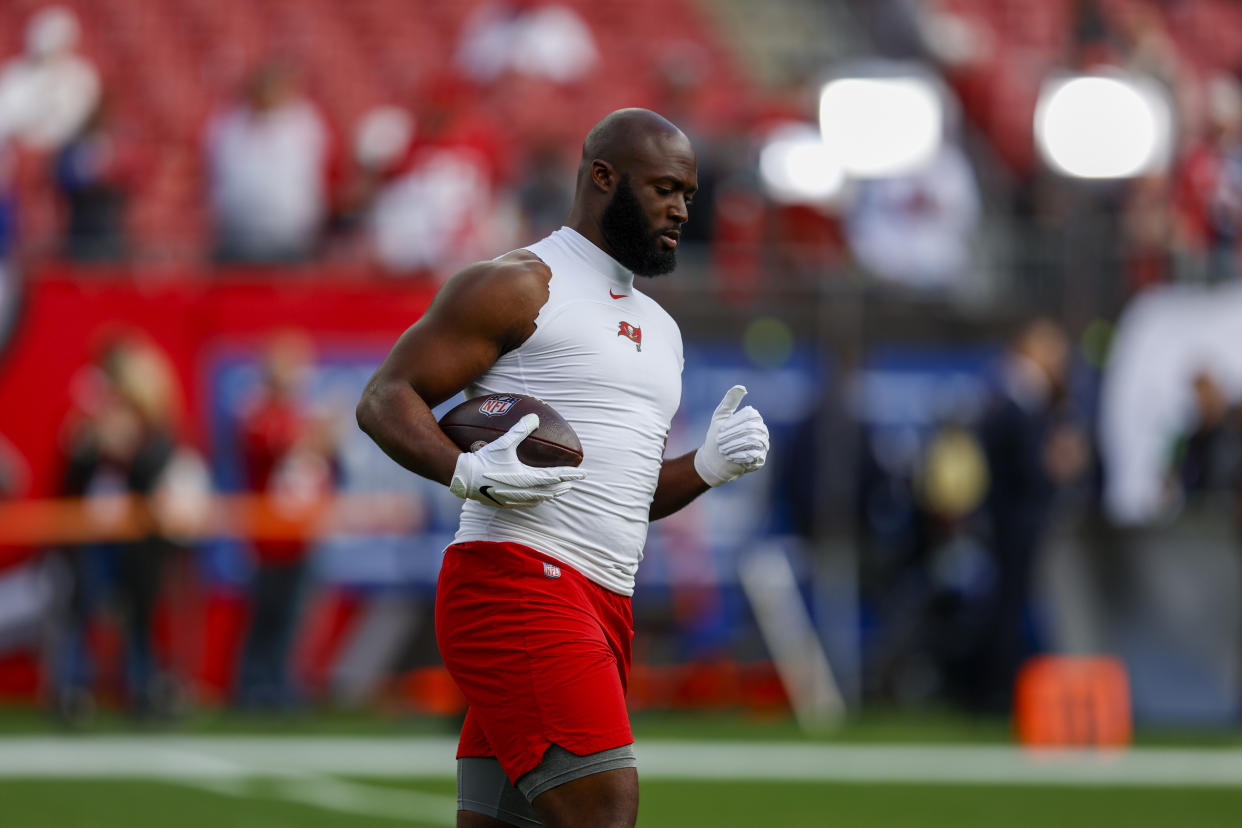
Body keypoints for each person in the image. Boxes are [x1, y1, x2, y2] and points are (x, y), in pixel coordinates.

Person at [356, 108, 769, 828]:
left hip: (604, 599)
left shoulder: (663, 331)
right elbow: (385, 397)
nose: (680, 208)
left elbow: (620, 499)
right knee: (605, 808)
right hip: (517, 583)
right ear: (603, 178)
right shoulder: (518, 284)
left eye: (689, 195)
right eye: (665, 188)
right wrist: (465, 472)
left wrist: (704, 468)